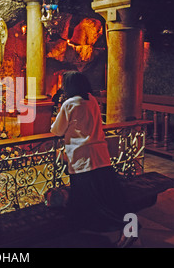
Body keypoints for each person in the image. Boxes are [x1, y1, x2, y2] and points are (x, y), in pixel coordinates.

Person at [50, 71, 137, 247]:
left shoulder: (69, 104)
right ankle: (130, 228)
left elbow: (56, 130)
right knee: (110, 195)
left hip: (82, 157)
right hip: (100, 155)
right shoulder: (91, 101)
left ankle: (120, 228)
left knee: (92, 199)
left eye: (64, 84)